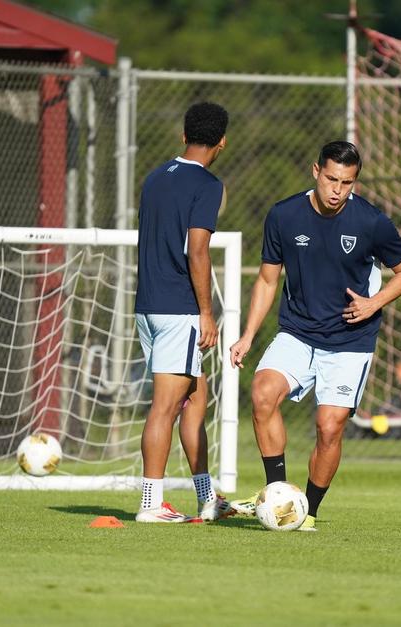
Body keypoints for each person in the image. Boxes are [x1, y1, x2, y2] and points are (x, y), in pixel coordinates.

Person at [228, 140, 401, 531]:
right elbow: (268, 279)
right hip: (298, 331)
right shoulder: (284, 215)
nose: (337, 190)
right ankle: (278, 493)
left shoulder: (370, 222)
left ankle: (308, 511)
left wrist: (374, 303)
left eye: (347, 183)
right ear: (316, 171)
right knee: (263, 393)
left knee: (329, 426)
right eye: (332, 179)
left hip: (350, 339)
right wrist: (248, 335)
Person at [134, 101, 233, 523]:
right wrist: (206, 313)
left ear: (183, 134)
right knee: (165, 407)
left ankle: (208, 498)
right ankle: (150, 505)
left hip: (149, 306)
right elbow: (197, 249)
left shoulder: (156, 178)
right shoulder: (207, 184)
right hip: (179, 310)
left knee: (195, 400)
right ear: (223, 141)